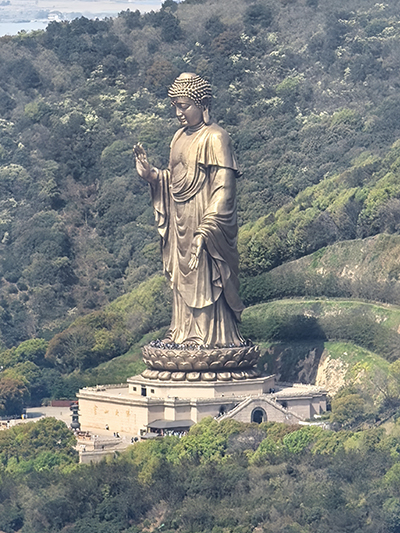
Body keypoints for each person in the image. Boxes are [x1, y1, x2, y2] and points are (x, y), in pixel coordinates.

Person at [134, 73, 244, 348]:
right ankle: (182, 333)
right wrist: (152, 176)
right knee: (182, 279)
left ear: (202, 104)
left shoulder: (216, 137)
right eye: (175, 106)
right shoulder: (179, 136)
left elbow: (224, 190)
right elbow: (173, 180)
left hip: (205, 221)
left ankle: (211, 338)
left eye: (184, 106)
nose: (178, 113)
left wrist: (205, 231)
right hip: (180, 221)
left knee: (205, 276)